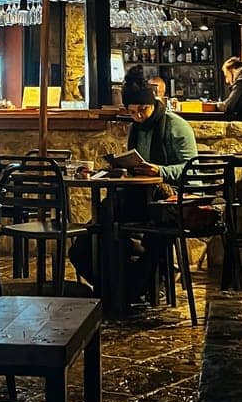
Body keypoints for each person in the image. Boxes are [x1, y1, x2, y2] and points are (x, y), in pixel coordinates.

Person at [69, 68, 198, 302]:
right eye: (132, 112)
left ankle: (132, 287)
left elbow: (191, 169)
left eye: (143, 110)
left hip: (170, 196)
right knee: (102, 223)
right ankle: (115, 285)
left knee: (116, 216)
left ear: (153, 104)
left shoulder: (176, 126)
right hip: (141, 193)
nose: (138, 116)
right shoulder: (135, 128)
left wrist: (160, 170)